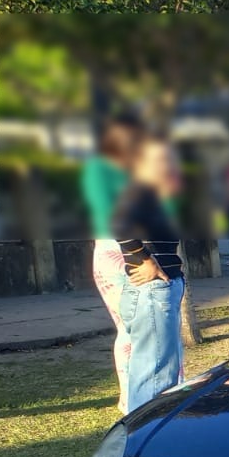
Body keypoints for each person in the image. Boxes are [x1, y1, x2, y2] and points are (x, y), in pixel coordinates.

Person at [113, 138, 186, 411]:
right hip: (153, 290)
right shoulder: (140, 190)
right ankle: (145, 438)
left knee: (150, 367)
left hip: (155, 289)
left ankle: (140, 431)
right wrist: (146, 260)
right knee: (157, 373)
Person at [80, 114, 143, 412]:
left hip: (135, 249)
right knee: (129, 328)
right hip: (114, 252)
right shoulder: (101, 171)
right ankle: (130, 398)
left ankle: (149, 393)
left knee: (148, 327)